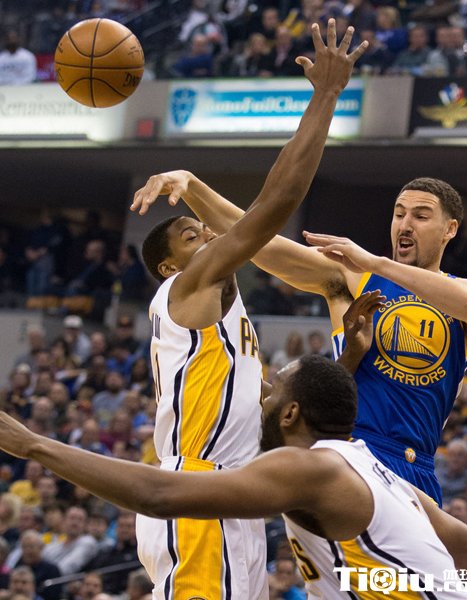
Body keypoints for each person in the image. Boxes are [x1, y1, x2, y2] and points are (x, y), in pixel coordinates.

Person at [128, 20, 368, 600]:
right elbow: (277, 202)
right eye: (193, 236)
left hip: (227, 494)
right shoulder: (185, 290)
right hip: (200, 493)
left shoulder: (226, 327)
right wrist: (326, 95)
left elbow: (275, 415)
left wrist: (346, 362)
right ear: (170, 267)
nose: (210, 235)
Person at [0, 357, 467, 599]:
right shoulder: (380, 474)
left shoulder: (309, 467)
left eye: (271, 391)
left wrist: (33, 445)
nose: (262, 399)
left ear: (291, 413)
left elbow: (159, 494)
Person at [156, 173, 467, 507]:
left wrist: (377, 263)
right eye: (398, 214)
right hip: (351, 452)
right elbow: (259, 242)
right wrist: (193, 188)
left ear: (450, 229)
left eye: (420, 216)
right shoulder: (352, 275)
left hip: (418, 466)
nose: (405, 225)